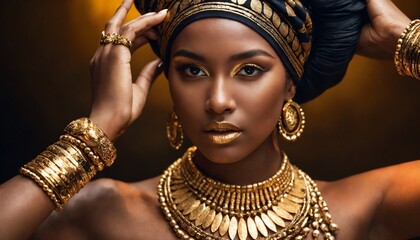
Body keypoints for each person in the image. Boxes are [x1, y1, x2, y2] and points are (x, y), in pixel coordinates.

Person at [0, 0, 419, 239]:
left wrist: (409, 42)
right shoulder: (106, 213)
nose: (218, 101)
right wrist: (98, 129)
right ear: (167, 75)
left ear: (290, 84)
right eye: (192, 70)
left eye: (249, 70)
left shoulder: (363, 208)